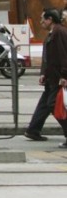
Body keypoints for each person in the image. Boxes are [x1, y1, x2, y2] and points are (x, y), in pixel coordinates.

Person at [24, 8, 67, 143]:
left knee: (53, 104)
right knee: (45, 103)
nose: (41, 21)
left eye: (43, 18)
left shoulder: (59, 33)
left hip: (57, 77)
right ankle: (33, 130)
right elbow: (47, 57)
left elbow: (63, 55)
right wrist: (43, 73)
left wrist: (64, 75)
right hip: (51, 77)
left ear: (50, 19)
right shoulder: (51, 33)